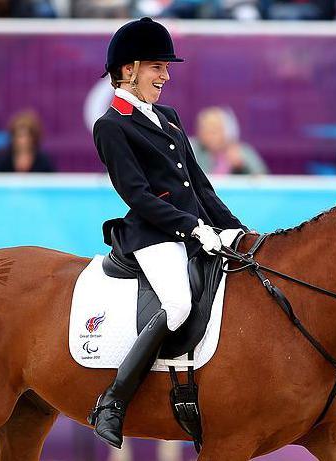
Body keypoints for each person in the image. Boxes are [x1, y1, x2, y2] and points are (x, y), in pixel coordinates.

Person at [88, 17, 248, 449]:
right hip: (153, 235)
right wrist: (193, 228)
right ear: (128, 71)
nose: (166, 75)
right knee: (177, 304)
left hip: (194, 230)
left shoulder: (169, 116)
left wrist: (237, 232)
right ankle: (113, 401)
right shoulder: (111, 125)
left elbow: (200, 186)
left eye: (166, 67)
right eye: (157, 67)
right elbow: (138, 195)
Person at [190, 106, 268, 175]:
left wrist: (241, 166)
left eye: (215, 129)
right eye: (205, 129)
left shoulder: (243, 151)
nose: (209, 134)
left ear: (227, 131)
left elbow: (263, 179)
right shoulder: (192, 149)